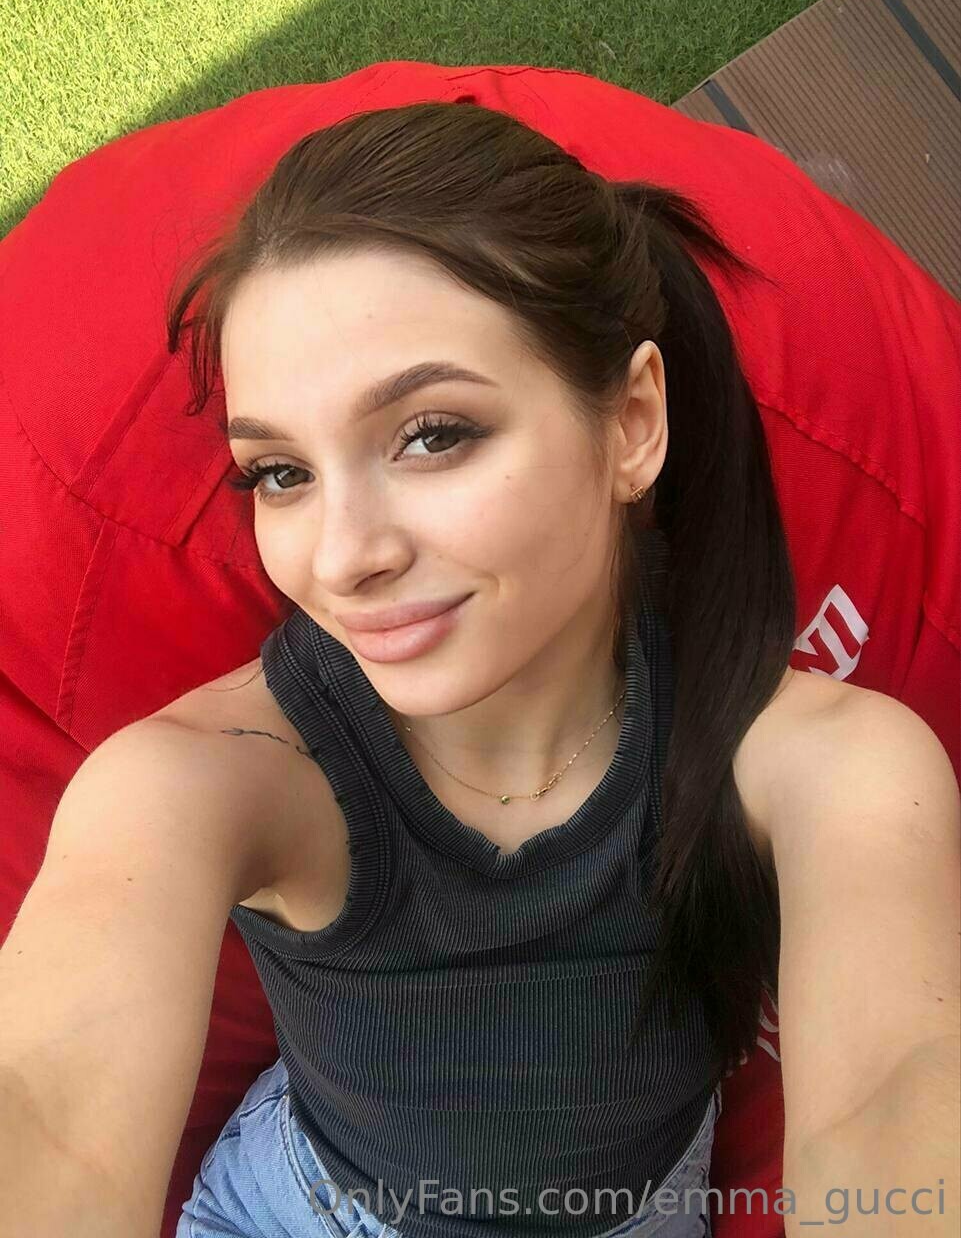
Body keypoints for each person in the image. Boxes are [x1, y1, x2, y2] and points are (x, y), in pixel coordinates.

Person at [0, 101, 957, 1238]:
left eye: (432, 433)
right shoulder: (205, 774)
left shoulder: (828, 762)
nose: (344, 557)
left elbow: (895, 1090)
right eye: (280, 472)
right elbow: (48, 1104)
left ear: (631, 423)